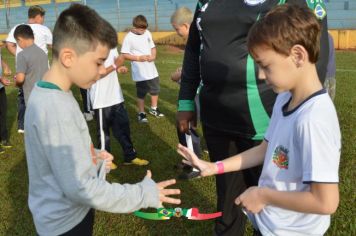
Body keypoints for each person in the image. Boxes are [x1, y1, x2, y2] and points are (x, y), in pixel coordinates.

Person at [178, 4, 340, 235]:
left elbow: (326, 202)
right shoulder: (284, 99)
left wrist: (262, 194)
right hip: (271, 224)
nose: (261, 75)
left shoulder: (314, 119)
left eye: (265, 66)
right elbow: (265, 150)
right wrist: (214, 167)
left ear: (297, 55)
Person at [24, 4, 180, 235]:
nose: (100, 71)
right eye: (98, 62)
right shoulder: (55, 108)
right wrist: (143, 194)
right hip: (66, 224)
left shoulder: (51, 92)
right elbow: (81, 188)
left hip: (65, 217)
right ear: (68, 57)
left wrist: (93, 157)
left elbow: (57, 154)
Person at [90, 48, 150, 166]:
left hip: (116, 97)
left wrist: (119, 68)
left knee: (123, 128)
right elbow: (96, 74)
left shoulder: (111, 47)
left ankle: (130, 156)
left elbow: (116, 65)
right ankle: (104, 162)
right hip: (101, 100)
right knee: (103, 133)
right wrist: (115, 65)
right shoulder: (90, 48)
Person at [6, 5, 52, 133]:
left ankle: (22, 125)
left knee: (23, 97)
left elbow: (9, 44)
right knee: (43, 97)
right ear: (38, 16)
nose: (43, 20)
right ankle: (44, 123)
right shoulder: (44, 30)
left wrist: (20, 58)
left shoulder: (18, 28)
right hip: (42, 70)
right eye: (43, 17)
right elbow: (53, 46)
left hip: (24, 69)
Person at [170, 7, 201, 180]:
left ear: (186, 26)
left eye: (177, 29)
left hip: (196, 92)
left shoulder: (198, 42)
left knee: (187, 126)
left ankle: (195, 166)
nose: (177, 32)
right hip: (192, 91)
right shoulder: (192, 43)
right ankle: (188, 158)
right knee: (184, 126)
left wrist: (181, 73)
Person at [121, 15, 164, 123]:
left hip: (151, 69)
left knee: (155, 89)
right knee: (141, 92)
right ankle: (141, 113)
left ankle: (154, 109)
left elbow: (152, 47)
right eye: (141, 29)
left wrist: (153, 56)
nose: (143, 31)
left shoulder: (147, 33)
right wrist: (138, 58)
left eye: (144, 28)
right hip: (140, 71)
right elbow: (124, 54)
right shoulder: (129, 37)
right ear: (134, 27)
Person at [14, 24, 49, 105]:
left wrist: (16, 82)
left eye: (17, 42)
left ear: (19, 39)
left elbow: (20, 79)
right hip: (45, 93)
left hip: (31, 96)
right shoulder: (42, 52)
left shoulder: (22, 55)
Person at [0, 52, 12, 153]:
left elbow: (0, 57)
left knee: (3, 113)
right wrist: (1, 78)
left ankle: (3, 139)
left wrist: (5, 65)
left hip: (0, 87)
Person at [324, 33, 336, 100]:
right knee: (330, 102)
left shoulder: (319, 37)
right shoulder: (329, 36)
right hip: (331, 73)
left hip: (323, 75)